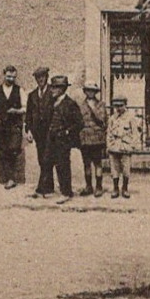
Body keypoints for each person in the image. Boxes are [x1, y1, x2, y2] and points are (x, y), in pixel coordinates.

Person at [45, 74, 83, 205]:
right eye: (52, 88)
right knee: (50, 162)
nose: (52, 90)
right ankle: (54, 189)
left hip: (63, 140)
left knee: (63, 165)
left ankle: (66, 192)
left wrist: (67, 131)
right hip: (52, 138)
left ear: (62, 89)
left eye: (54, 88)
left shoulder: (70, 104)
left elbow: (79, 123)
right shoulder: (51, 102)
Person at [0, 65, 27, 188]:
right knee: (2, 152)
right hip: (1, 126)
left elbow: (25, 108)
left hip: (14, 126)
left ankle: (12, 178)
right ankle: (6, 178)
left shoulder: (19, 90)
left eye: (13, 77)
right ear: (3, 75)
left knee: (13, 150)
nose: (10, 79)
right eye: (8, 76)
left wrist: (16, 111)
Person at [25, 66, 55, 197]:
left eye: (42, 77)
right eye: (38, 77)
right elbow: (28, 115)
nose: (40, 80)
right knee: (41, 158)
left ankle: (42, 186)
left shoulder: (53, 92)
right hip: (38, 133)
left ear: (46, 77)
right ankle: (49, 185)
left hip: (51, 131)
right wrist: (29, 130)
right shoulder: (32, 95)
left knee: (47, 158)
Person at [106, 96, 141, 198]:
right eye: (116, 106)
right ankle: (115, 188)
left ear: (125, 105)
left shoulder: (130, 118)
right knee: (114, 168)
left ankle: (125, 188)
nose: (118, 108)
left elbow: (135, 133)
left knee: (126, 169)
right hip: (114, 146)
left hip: (125, 146)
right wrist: (109, 145)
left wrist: (132, 146)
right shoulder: (112, 118)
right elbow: (109, 132)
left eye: (121, 106)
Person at [79, 81, 108, 196]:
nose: (90, 92)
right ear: (85, 92)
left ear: (95, 92)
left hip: (96, 138)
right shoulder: (81, 105)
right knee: (86, 164)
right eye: (88, 90)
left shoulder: (100, 104)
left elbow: (102, 119)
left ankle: (99, 187)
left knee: (97, 163)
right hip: (85, 138)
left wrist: (93, 108)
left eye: (92, 90)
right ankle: (88, 186)